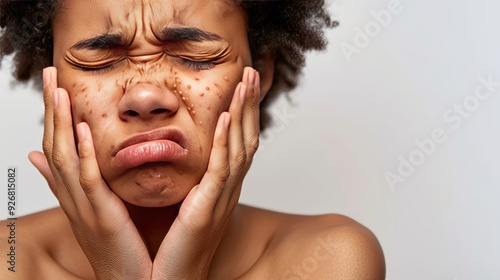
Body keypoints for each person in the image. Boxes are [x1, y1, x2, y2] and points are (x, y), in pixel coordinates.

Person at [0, 0, 385, 279]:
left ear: (259, 72)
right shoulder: (10, 260)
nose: (145, 97)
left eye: (195, 56)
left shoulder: (330, 260)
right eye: (98, 61)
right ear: (52, 80)